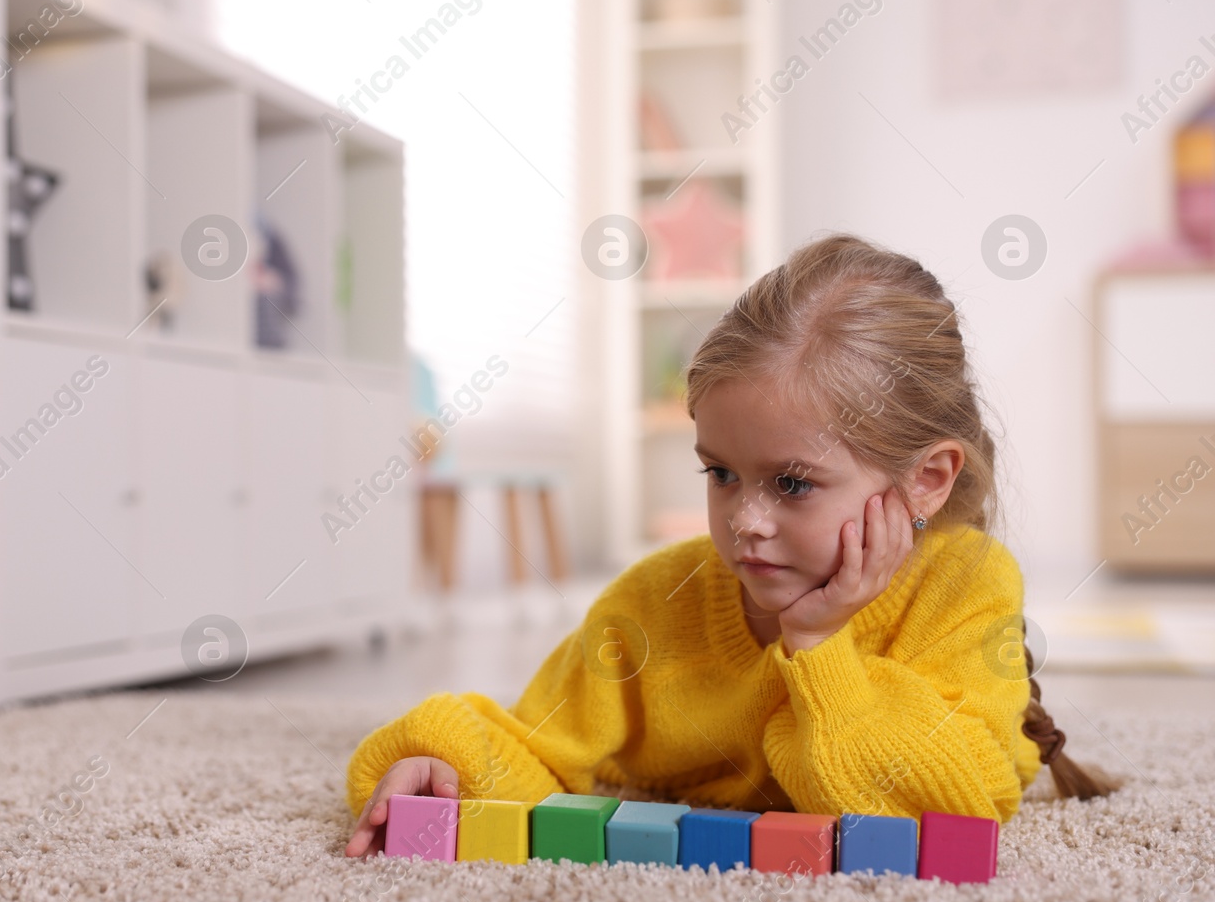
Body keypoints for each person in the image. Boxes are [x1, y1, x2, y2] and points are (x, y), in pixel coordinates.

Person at [344, 234, 1118, 857]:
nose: (744, 520)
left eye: (791, 484)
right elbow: (537, 745)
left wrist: (817, 644)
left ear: (927, 480)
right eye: (719, 472)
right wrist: (441, 764)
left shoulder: (968, 582)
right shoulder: (654, 603)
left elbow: (959, 811)